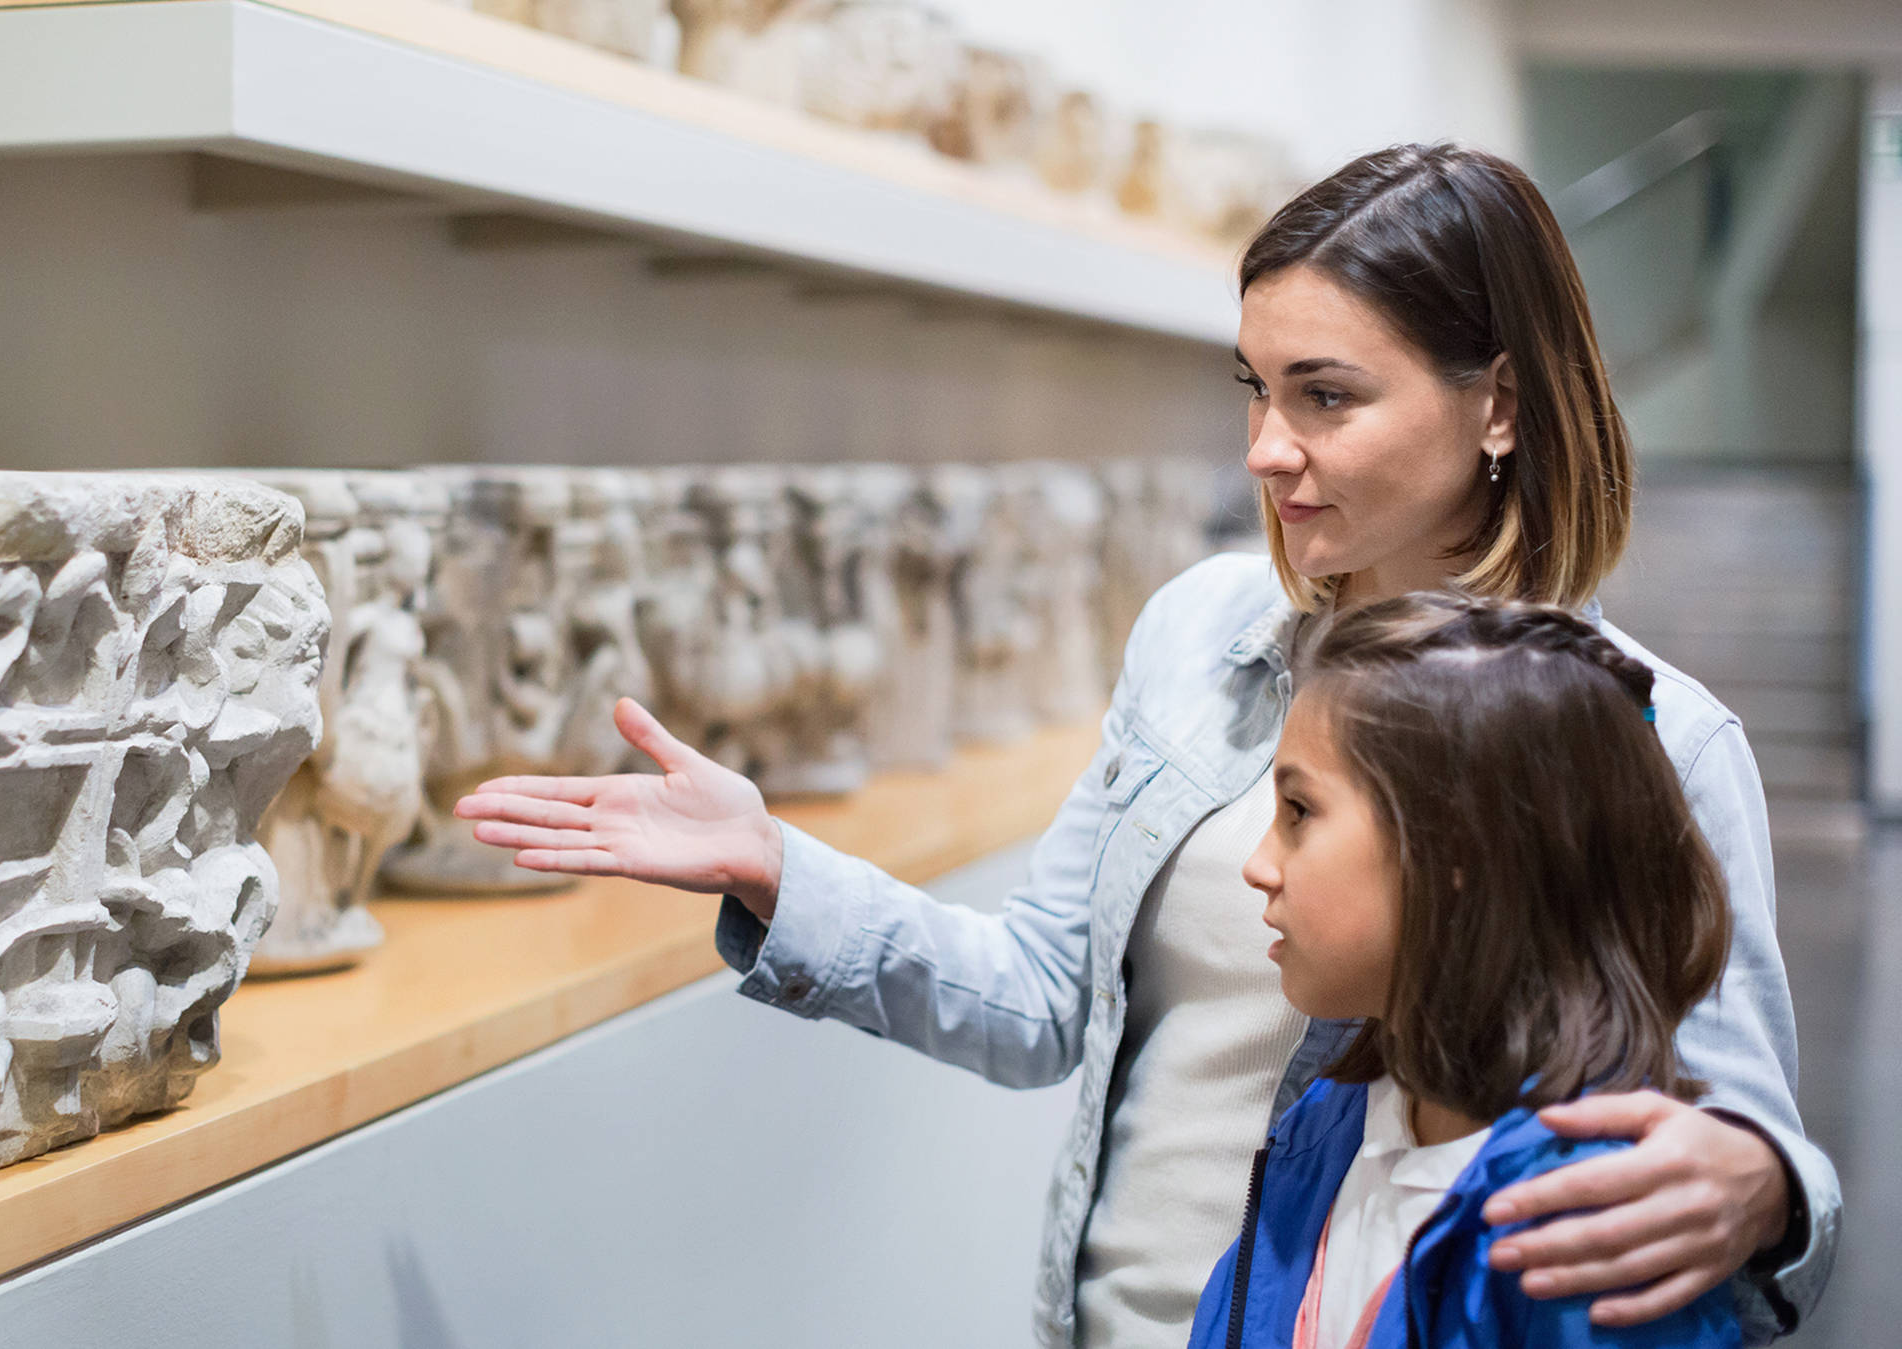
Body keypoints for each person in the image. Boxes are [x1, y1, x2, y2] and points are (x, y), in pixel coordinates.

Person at [452, 143, 1837, 1347]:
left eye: (1327, 396)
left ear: (1501, 407)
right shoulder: (1203, 632)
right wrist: (776, 867)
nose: (1265, 450)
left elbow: (1745, 1169)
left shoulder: (1651, 739)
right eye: (1254, 388)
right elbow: (1043, 996)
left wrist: (1765, 1188)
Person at [1187, 592, 1742, 1349]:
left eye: (1299, 812)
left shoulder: (1588, 1238)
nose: (1259, 865)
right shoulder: (1325, 1129)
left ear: (1456, 852)